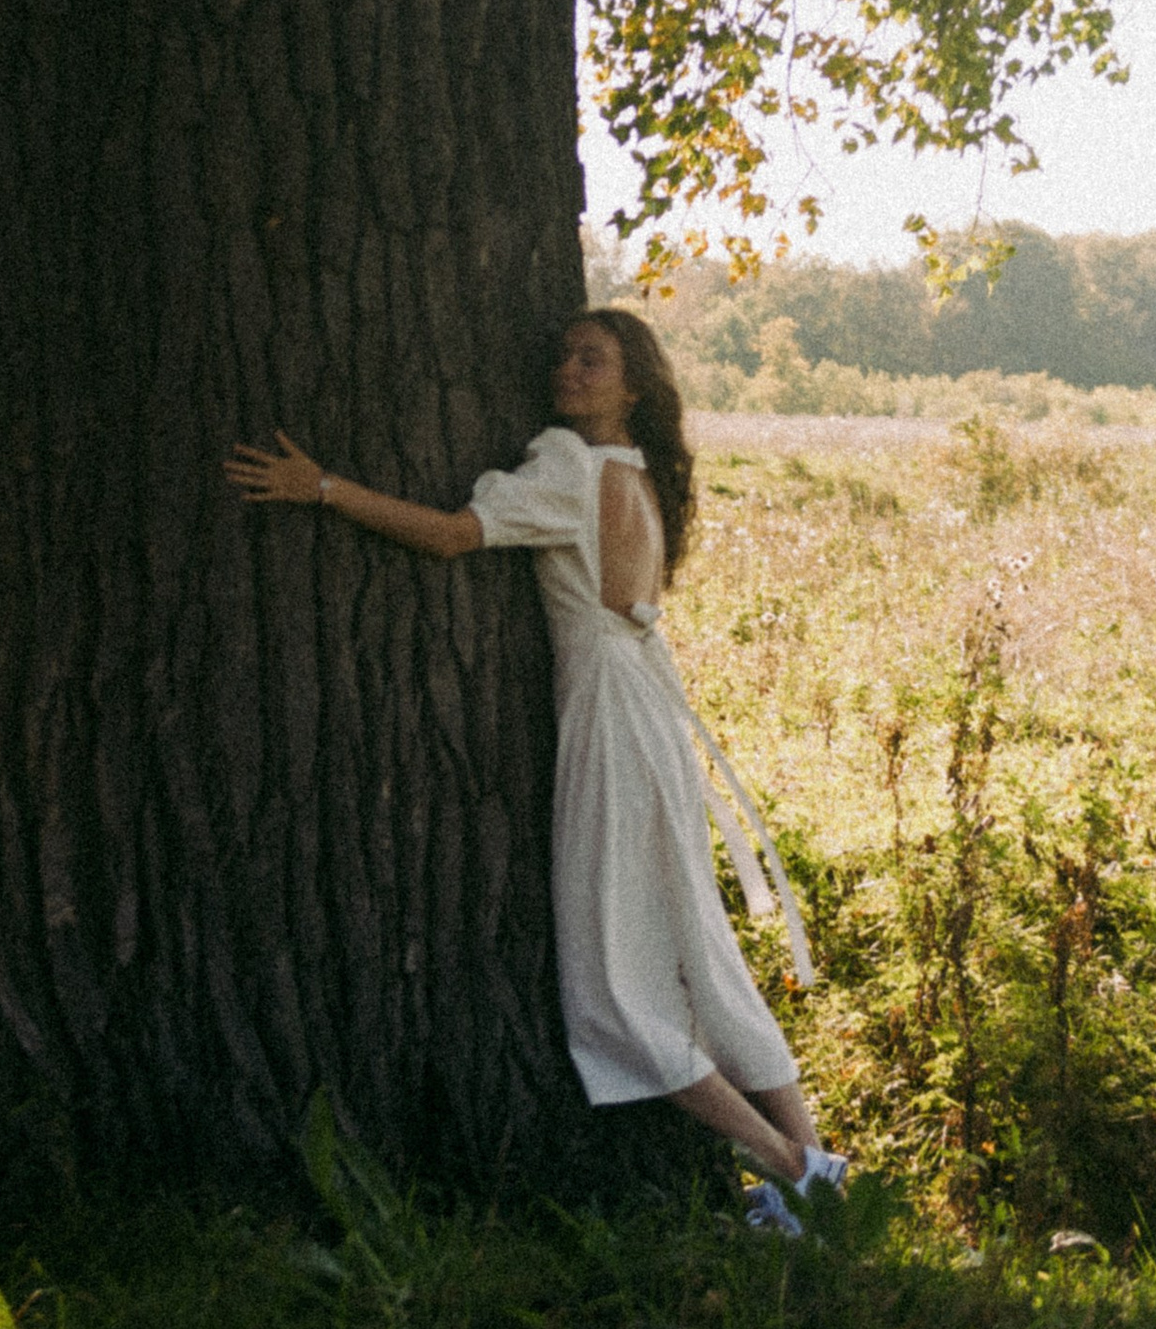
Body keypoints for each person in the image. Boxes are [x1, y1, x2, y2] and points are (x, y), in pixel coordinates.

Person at [227, 309, 845, 1235]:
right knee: (699, 954)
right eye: (564, 354)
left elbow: (446, 536)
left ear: (634, 384)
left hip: (613, 721)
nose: (567, 370)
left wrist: (322, 486)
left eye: (592, 359)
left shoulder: (568, 466)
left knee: (614, 992)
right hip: (651, 715)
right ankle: (821, 1177)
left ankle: (793, 1172)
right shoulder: (640, 472)